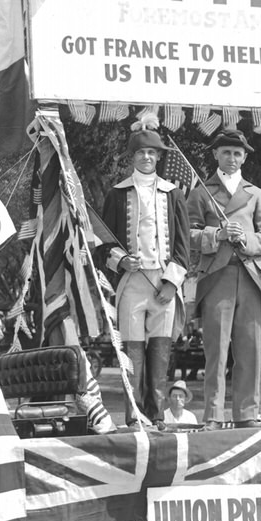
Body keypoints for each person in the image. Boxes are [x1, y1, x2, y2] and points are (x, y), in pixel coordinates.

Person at [99, 117, 189, 425]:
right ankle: (134, 415)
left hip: (163, 284)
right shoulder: (117, 193)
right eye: (141, 153)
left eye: (152, 153)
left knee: (160, 353)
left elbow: (183, 246)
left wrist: (172, 284)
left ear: (160, 156)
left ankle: (158, 414)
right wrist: (121, 260)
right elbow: (103, 243)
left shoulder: (174, 194)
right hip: (132, 284)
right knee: (133, 353)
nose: (147, 158)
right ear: (132, 157)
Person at [187, 126, 261, 428]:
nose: (231, 158)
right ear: (215, 154)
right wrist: (218, 234)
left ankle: (247, 414)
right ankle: (213, 415)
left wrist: (246, 240)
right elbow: (188, 234)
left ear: (244, 158)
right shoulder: (201, 191)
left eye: (237, 153)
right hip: (216, 277)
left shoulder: (255, 194)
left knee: (249, 349)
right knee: (216, 350)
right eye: (226, 152)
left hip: (250, 275)